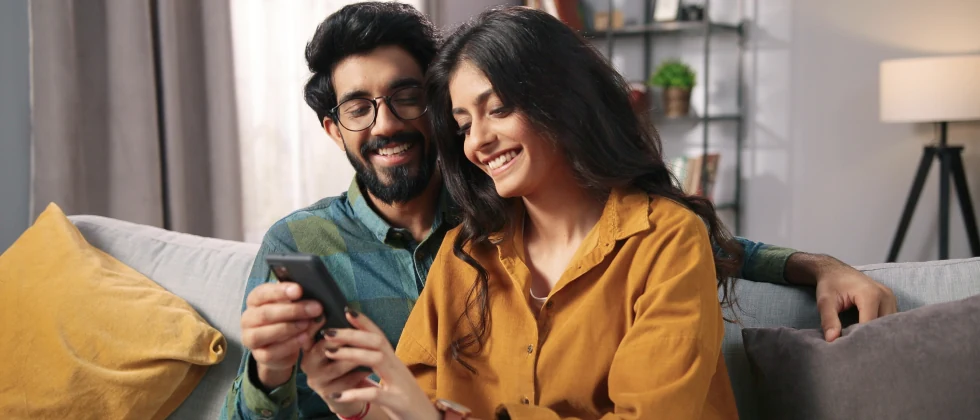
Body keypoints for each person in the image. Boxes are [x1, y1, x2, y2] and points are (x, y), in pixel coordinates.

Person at [221, 3, 896, 419]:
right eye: (358, 107)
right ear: (333, 128)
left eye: (407, 99)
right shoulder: (467, 249)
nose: (478, 139)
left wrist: (817, 265)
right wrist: (339, 399)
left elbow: (704, 246)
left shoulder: (653, 237)